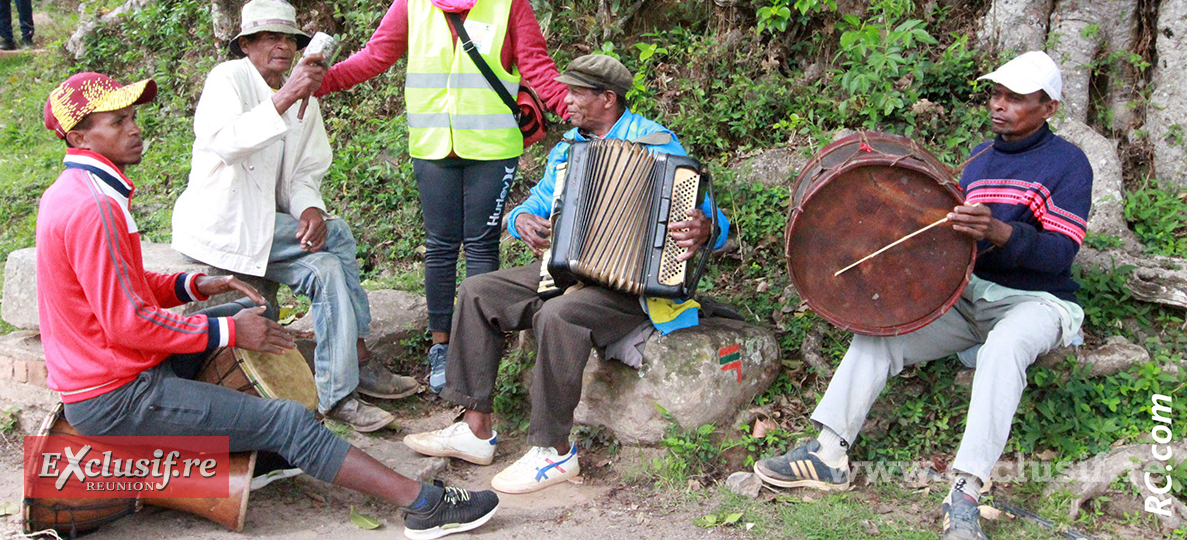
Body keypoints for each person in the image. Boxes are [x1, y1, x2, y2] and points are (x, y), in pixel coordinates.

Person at [36, 71, 499, 539]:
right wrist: (230, 333)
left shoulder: (73, 192)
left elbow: (121, 285)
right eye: (117, 122)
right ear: (79, 137)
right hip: (116, 396)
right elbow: (127, 322)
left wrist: (195, 284)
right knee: (286, 412)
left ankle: (263, 457)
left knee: (232, 318)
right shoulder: (95, 208)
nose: (134, 128)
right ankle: (421, 505)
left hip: (110, 377)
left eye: (132, 117)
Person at [753, 51, 1093, 540]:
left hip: (1037, 301)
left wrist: (998, 231)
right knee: (882, 333)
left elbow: (1059, 255)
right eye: (996, 94)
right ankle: (828, 454)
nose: (999, 105)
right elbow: (947, 244)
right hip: (967, 292)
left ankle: (965, 492)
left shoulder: (1068, 163)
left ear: (1048, 107)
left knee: (1005, 347)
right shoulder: (980, 158)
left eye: (1016, 98)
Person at [403, 54, 731, 494]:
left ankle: (553, 451)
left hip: (633, 287)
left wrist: (707, 227)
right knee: (479, 291)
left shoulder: (659, 144)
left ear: (607, 99)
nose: (566, 101)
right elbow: (532, 204)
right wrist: (520, 220)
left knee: (559, 315)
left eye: (577, 93)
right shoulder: (567, 149)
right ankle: (475, 429)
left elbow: (714, 221)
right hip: (567, 269)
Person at [317, 0, 569, 395]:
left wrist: (578, 111)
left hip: (493, 143)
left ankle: (476, 351)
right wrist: (316, 84)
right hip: (432, 143)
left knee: (480, 245)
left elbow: (537, 67)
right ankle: (440, 345)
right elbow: (375, 57)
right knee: (439, 246)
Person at [172, 0, 420, 433]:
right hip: (224, 225)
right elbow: (227, 142)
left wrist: (309, 208)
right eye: (269, 37)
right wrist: (287, 96)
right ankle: (357, 360)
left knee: (326, 264)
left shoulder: (303, 96)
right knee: (339, 236)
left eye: (289, 38)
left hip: (271, 230)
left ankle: (337, 394)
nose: (282, 46)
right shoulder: (227, 79)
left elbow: (305, 170)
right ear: (246, 45)